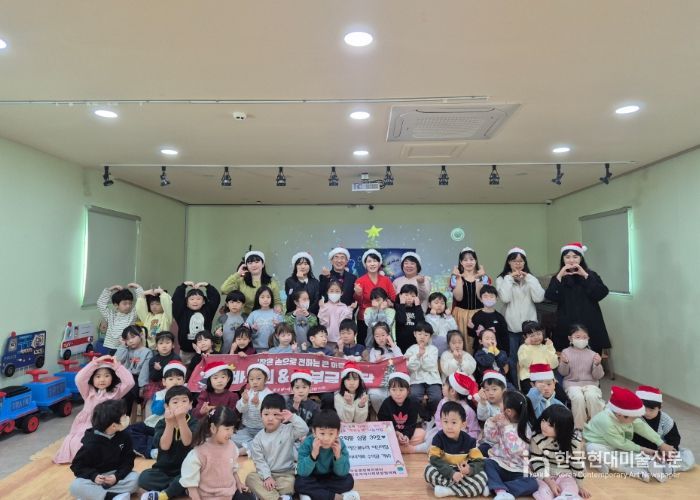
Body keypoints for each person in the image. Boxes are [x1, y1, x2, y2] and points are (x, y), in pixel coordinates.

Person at [583, 386, 675, 482]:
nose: (635, 420)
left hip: (616, 446)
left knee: (629, 454)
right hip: (598, 444)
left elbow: (642, 427)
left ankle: (651, 464)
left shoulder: (626, 416)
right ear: (620, 415)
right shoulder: (606, 422)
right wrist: (645, 450)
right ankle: (631, 470)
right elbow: (621, 443)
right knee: (595, 451)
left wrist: (661, 443)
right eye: (633, 418)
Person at [54, 355, 134, 464]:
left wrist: (118, 367)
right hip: (86, 424)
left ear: (113, 377)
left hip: (107, 425)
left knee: (103, 445)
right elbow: (79, 378)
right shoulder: (88, 391)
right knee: (78, 444)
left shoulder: (116, 392)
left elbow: (130, 382)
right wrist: (94, 363)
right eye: (98, 376)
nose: (102, 380)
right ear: (92, 378)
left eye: (107, 376)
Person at [545, 242, 611, 353]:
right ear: (563, 259)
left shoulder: (591, 275)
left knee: (592, 357)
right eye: (567, 257)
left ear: (581, 258)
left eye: (575, 257)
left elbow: (601, 293)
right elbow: (550, 296)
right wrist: (559, 276)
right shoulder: (558, 277)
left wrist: (585, 276)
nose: (571, 260)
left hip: (590, 322)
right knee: (566, 357)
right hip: (566, 323)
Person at [69, 400, 138, 500]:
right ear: (113, 426)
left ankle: (96, 495)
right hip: (96, 478)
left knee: (136, 479)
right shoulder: (91, 444)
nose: (127, 417)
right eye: (123, 416)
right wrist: (94, 476)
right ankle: (112, 496)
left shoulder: (125, 436)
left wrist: (117, 476)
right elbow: (77, 466)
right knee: (76, 486)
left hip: (115, 474)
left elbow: (128, 460)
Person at [180, 406, 253, 500]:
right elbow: (191, 486)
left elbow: (233, 470)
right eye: (227, 429)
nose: (231, 433)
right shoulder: (199, 452)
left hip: (229, 493)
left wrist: (239, 483)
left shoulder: (231, 446)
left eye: (232, 428)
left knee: (249, 497)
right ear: (213, 428)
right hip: (209, 496)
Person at [495, 247, 545, 384]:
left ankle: (531, 385)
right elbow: (505, 298)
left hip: (530, 328)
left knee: (531, 357)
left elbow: (539, 298)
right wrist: (509, 279)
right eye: (514, 261)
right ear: (509, 262)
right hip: (511, 327)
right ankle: (515, 386)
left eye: (521, 261)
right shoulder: (502, 279)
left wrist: (529, 279)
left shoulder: (530, 278)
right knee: (512, 359)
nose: (518, 264)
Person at [245, 393, 309, 500]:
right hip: (266, 474)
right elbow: (259, 461)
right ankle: (279, 497)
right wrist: (267, 477)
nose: (270, 418)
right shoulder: (258, 439)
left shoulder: (288, 430)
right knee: (250, 478)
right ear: (261, 414)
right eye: (266, 414)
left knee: (290, 483)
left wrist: (292, 417)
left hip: (286, 474)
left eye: (275, 415)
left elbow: (304, 430)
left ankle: (267, 495)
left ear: (282, 415)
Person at [139, 386, 199, 500]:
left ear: (190, 404)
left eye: (184, 401)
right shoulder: (161, 423)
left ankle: (167, 492)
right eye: (175, 402)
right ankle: (179, 488)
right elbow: (164, 446)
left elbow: (188, 442)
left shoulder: (194, 422)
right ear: (167, 406)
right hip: (164, 470)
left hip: (187, 470)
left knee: (196, 475)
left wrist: (181, 419)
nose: (180, 405)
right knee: (144, 478)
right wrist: (170, 423)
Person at [424, 401, 489, 498]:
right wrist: (451, 473)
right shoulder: (438, 438)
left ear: (463, 424)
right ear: (441, 422)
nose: (449, 426)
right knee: (428, 471)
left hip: (463, 473)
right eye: (445, 422)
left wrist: (469, 469)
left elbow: (479, 461)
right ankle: (469, 488)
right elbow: (434, 459)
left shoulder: (469, 441)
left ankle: (449, 490)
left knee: (482, 476)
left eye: (454, 422)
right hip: (445, 470)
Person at [482, 391, 539, 500]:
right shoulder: (500, 422)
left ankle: (498, 489)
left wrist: (507, 427)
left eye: (501, 402)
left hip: (518, 468)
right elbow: (490, 438)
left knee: (533, 483)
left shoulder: (525, 428)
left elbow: (515, 449)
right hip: (500, 463)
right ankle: (500, 490)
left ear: (508, 411)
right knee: (486, 463)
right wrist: (492, 421)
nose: (499, 405)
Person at [295, 410, 360, 500]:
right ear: (314, 432)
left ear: (337, 433)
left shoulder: (340, 445)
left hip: (330, 478)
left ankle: (313, 494)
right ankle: (335, 496)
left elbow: (343, 472)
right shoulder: (307, 443)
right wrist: (313, 455)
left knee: (348, 480)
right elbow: (302, 472)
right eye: (322, 433)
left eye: (331, 433)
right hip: (311, 477)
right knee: (299, 483)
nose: (326, 438)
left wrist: (338, 456)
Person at [530, 405, 589, 500]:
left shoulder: (573, 442)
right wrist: (549, 481)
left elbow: (577, 465)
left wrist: (580, 486)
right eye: (543, 420)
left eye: (550, 425)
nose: (544, 426)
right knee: (544, 492)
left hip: (565, 474)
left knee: (570, 490)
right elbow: (537, 461)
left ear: (562, 428)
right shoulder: (536, 437)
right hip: (544, 475)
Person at [129, 361, 187, 459]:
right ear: (164, 382)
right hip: (154, 424)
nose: (175, 382)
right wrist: (166, 399)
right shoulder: (160, 394)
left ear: (184, 381)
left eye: (179, 379)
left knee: (177, 440)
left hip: (173, 428)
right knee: (130, 430)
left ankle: (151, 445)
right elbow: (156, 411)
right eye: (171, 379)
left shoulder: (186, 394)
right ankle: (151, 451)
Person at [633, 385, 695, 473]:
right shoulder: (634, 417)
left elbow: (674, 438)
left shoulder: (666, 420)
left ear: (660, 407)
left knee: (688, 455)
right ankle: (653, 467)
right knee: (626, 456)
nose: (647, 413)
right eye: (644, 409)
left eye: (651, 410)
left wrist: (668, 453)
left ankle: (669, 468)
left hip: (661, 451)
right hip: (641, 451)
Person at [557, 324, 605, 429]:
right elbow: (563, 373)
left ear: (588, 339)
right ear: (570, 338)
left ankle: (597, 426)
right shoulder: (565, 352)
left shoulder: (593, 354)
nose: (581, 340)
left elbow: (598, 376)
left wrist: (597, 364)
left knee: (592, 396)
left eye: (584, 337)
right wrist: (564, 363)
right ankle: (579, 427)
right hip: (571, 383)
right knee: (578, 398)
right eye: (578, 337)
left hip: (591, 383)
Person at [353, 249, 397, 344]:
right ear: (365, 264)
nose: (372, 264)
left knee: (383, 346)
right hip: (365, 319)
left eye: (375, 261)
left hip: (384, 319)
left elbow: (393, 298)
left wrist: (388, 303)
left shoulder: (386, 280)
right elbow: (357, 302)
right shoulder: (360, 281)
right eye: (369, 261)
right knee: (365, 345)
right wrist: (358, 294)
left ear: (379, 263)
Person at [172, 281, 221, 364]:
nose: (195, 301)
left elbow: (215, 298)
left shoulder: (208, 310)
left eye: (198, 299)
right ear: (186, 302)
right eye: (192, 299)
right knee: (187, 370)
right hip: (187, 351)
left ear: (203, 301)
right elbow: (176, 300)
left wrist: (207, 285)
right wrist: (183, 286)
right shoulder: (181, 312)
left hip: (205, 351)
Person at [220, 250, 283, 315]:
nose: (253, 265)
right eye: (250, 263)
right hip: (247, 317)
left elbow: (277, 302)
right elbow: (224, 289)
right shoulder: (241, 281)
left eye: (257, 262)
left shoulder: (271, 283)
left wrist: (278, 308)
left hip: (266, 317)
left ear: (263, 264)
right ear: (246, 266)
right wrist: (238, 274)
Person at [450, 247, 489, 352]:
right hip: (461, 315)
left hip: (479, 314)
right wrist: (458, 278)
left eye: (471, 259)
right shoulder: (455, 277)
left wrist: (479, 278)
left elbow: (481, 297)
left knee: (479, 343)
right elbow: (458, 297)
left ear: (476, 261)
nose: (469, 262)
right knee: (461, 343)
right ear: (461, 262)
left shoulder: (483, 277)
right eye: (465, 260)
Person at [378, 372, 426, 454]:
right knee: (383, 437)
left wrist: (406, 436)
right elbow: (383, 423)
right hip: (392, 433)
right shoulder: (386, 403)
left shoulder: (413, 403)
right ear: (389, 390)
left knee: (422, 433)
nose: (397, 393)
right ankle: (403, 448)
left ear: (408, 390)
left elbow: (411, 424)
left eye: (401, 390)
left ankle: (396, 447)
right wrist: (396, 433)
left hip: (406, 434)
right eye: (394, 390)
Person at [233, 363, 273, 455]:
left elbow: (270, 414)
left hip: (263, 429)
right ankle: (252, 445)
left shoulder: (269, 395)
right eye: (251, 379)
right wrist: (244, 401)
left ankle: (246, 448)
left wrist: (258, 405)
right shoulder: (247, 393)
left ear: (266, 379)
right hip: (247, 429)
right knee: (233, 437)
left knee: (269, 441)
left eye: (258, 379)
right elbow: (240, 410)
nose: (255, 382)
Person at [405, 321, 442, 421]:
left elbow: (430, 366)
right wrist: (418, 355)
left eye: (426, 335)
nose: (422, 337)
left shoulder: (433, 349)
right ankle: (424, 417)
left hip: (433, 379)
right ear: (415, 334)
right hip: (416, 379)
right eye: (420, 334)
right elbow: (410, 367)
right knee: (413, 396)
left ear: (430, 337)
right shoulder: (411, 349)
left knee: (436, 397)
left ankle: (433, 416)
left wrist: (420, 358)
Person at [115, 325, 153, 419]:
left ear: (141, 335)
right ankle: (115, 416)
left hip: (137, 380)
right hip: (124, 377)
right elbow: (117, 360)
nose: (130, 341)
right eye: (127, 339)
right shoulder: (126, 349)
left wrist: (142, 387)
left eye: (133, 337)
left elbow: (144, 372)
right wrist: (123, 346)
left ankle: (124, 418)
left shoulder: (147, 352)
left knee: (127, 393)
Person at [97, 283, 144, 353]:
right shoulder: (111, 316)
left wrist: (138, 287)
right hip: (112, 348)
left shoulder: (132, 315)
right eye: (125, 303)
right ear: (116, 305)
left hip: (128, 348)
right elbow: (100, 304)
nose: (128, 306)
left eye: (130, 303)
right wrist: (111, 289)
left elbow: (141, 302)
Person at [367, 321, 403, 412]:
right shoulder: (373, 351)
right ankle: (381, 414)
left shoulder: (395, 348)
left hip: (394, 382)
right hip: (379, 382)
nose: (380, 338)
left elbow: (401, 360)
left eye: (383, 335)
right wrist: (376, 362)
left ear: (388, 335)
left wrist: (393, 345)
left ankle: (394, 415)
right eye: (377, 336)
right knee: (373, 394)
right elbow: (371, 368)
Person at [516, 321, 559, 392]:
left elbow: (554, 365)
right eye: (532, 335)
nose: (536, 337)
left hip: (547, 376)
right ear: (525, 337)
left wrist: (550, 347)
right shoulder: (523, 348)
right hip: (529, 377)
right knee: (533, 393)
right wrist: (528, 347)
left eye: (538, 334)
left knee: (561, 394)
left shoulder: (546, 347)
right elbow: (526, 364)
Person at [144, 331, 180, 415]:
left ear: (173, 345)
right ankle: (151, 418)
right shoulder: (153, 359)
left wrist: (161, 369)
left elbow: (175, 374)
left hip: (172, 383)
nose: (164, 346)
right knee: (151, 400)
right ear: (156, 347)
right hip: (157, 384)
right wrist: (156, 370)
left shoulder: (176, 358)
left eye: (167, 343)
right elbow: (153, 377)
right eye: (161, 343)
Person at [470, 285, 508, 356]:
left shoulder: (499, 317)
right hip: (480, 352)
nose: (488, 299)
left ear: (496, 299)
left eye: (491, 296)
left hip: (497, 351)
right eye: (485, 296)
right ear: (481, 299)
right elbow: (471, 334)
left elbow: (504, 337)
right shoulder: (476, 316)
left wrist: (505, 354)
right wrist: (472, 328)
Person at [317, 280, 356, 348]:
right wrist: (322, 309)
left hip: (341, 340)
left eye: (337, 291)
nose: (334, 293)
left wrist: (350, 309)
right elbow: (323, 323)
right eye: (331, 291)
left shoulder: (344, 307)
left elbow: (345, 323)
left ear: (341, 293)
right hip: (327, 340)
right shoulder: (324, 306)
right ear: (327, 292)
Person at [245, 285, 284, 352]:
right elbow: (245, 331)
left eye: (268, 297)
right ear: (258, 298)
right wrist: (253, 330)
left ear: (271, 298)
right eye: (262, 297)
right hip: (256, 350)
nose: (265, 300)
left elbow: (284, 330)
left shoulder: (276, 313)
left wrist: (278, 326)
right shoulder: (253, 314)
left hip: (275, 349)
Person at [395, 283, 426, 352]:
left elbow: (421, 324)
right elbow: (401, 321)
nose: (409, 298)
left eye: (413, 296)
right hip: (400, 343)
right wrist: (402, 304)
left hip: (414, 344)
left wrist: (418, 305)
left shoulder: (417, 308)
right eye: (406, 295)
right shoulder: (397, 307)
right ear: (400, 296)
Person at [214, 290, 246, 355]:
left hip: (242, 352)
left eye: (238, 302)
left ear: (243, 305)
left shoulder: (245, 317)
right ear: (227, 304)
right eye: (232, 302)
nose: (235, 305)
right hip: (225, 352)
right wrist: (217, 335)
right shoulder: (222, 318)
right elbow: (216, 336)